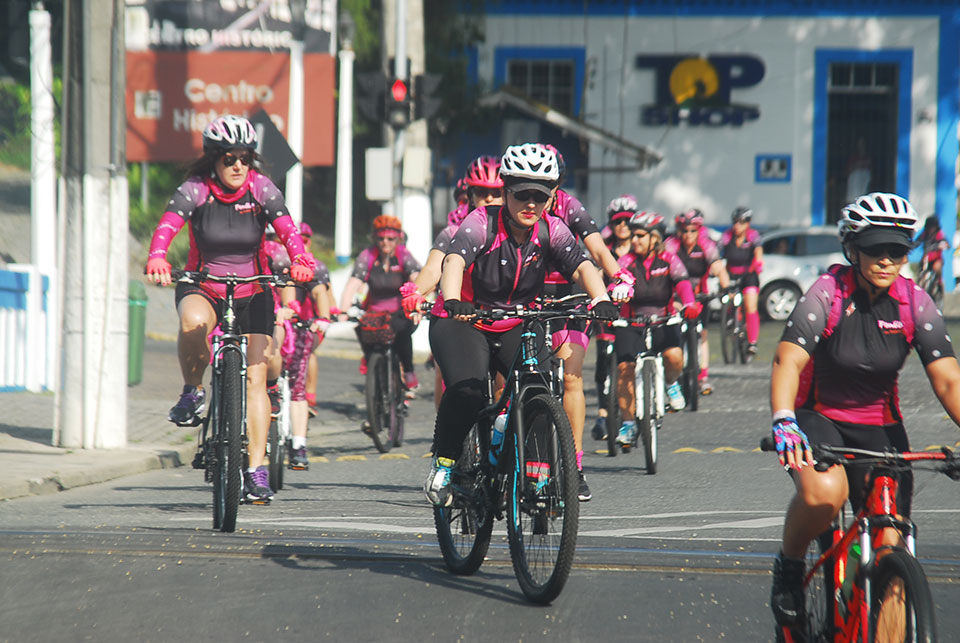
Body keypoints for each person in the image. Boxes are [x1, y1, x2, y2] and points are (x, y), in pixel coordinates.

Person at [767, 192, 960, 639]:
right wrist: (783, 419)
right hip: (820, 419)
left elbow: (949, 380)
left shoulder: (915, 302)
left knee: (893, 544)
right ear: (852, 249)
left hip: (881, 428)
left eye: (897, 250)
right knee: (824, 494)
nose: (887, 259)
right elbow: (787, 360)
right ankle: (790, 566)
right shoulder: (828, 292)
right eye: (875, 249)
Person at [423, 142, 619, 507]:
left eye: (540, 196)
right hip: (466, 319)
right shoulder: (481, 222)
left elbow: (581, 266)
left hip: (516, 320)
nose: (531, 204)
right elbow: (453, 261)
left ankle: (537, 477)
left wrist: (601, 298)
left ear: (551, 196)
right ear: (506, 190)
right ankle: (445, 464)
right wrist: (452, 299)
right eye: (521, 194)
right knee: (468, 391)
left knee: (540, 391)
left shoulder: (552, 229)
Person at [144, 114, 315, 503]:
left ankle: (255, 469)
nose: (238, 166)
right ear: (213, 159)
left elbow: (288, 230)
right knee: (193, 322)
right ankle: (192, 391)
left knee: (256, 378)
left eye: (245, 158)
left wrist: (300, 259)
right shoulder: (195, 189)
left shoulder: (262, 188)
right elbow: (167, 226)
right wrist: (157, 256)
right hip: (203, 283)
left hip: (254, 287)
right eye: (228, 158)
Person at [537, 145, 632, 502]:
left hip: (569, 294)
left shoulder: (570, 206)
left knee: (571, 377)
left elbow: (598, 249)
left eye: (549, 184)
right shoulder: (515, 207)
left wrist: (618, 276)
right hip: (527, 295)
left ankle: (574, 464)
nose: (541, 193)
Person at [402, 155, 504, 411]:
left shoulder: (521, 231)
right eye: (481, 192)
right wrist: (415, 293)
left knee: (508, 383)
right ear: (470, 195)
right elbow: (433, 269)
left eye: (496, 192)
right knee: (455, 384)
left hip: (502, 316)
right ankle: (449, 430)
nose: (489, 198)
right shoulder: (452, 233)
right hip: (460, 316)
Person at [612, 211, 699, 448]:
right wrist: (613, 297)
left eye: (640, 236)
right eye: (633, 235)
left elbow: (682, 283)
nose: (634, 240)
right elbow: (615, 283)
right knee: (625, 369)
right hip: (631, 323)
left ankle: (671, 384)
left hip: (663, 320)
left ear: (655, 238)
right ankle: (628, 424)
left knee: (674, 357)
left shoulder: (669, 260)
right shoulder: (626, 261)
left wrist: (689, 303)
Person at [339, 215, 422, 392]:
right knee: (363, 330)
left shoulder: (404, 255)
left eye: (390, 239)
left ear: (398, 239)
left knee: (402, 332)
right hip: (375, 311)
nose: (385, 243)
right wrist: (343, 310)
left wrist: (418, 300)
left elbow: (416, 277)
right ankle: (372, 370)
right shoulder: (367, 256)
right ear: (374, 239)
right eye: (381, 238)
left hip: (400, 310)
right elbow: (354, 282)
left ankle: (408, 371)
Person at [275, 222, 332, 469]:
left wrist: (324, 317)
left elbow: (319, 291)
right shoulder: (263, 259)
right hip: (266, 327)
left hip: (298, 326)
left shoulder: (309, 264)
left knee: (296, 387)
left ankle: (299, 445)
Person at [665, 208, 730, 394]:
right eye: (684, 230)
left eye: (693, 230)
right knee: (674, 333)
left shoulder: (706, 245)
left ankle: (703, 377)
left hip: (700, 295)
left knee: (703, 334)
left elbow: (718, 266)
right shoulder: (671, 245)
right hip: (676, 296)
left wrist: (725, 287)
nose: (688, 234)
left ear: (699, 230)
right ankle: (673, 374)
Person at [591, 194, 639, 441]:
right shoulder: (605, 250)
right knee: (603, 361)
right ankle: (603, 413)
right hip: (608, 314)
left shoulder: (640, 248)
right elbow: (595, 275)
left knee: (629, 362)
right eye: (618, 221)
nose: (622, 226)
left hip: (632, 316)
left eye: (627, 221)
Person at [720, 206, 762, 357]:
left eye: (741, 223)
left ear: (748, 224)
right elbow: (718, 254)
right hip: (731, 274)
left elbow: (758, 251)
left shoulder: (752, 236)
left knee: (750, 306)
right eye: (735, 222)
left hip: (749, 275)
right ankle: (730, 319)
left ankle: (752, 342)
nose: (737, 226)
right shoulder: (727, 236)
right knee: (727, 299)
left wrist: (758, 263)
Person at [917, 214, 949, 292]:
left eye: (933, 227)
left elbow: (946, 244)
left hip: (936, 258)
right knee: (921, 268)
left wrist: (942, 245)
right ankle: (919, 284)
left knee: (936, 267)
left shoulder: (939, 234)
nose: (931, 229)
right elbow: (917, 241)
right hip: (926, 257)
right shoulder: (924, 233)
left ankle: (940, 284)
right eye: (929, 227)